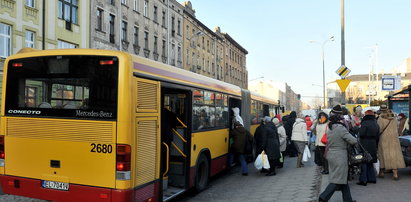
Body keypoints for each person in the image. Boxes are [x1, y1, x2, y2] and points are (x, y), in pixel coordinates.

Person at [319, 105, 358, 202]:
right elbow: (353, 141)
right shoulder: (341, 128)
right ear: (339, 120)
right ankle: (323, 197)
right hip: (340, 156)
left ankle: (348, 200)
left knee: (342, 178)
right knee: (337, 180)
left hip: (331, 154)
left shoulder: (330, 128)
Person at [377, 104, 405, 180]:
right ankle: (395, 174)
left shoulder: (381, 118)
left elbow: (379, 129)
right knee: (394, 155)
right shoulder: (395, 117)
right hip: (394, 139)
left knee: (383, 154)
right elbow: (398, 126)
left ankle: (382, 172)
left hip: (384, 138)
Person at [357, 109, 380, 186]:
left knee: (364, 161)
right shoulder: (375, 123)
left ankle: (363, 180)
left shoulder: (365, 123)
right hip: (373, 143)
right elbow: (378, 135)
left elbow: (362, 133)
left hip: (365, 143)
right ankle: (372, 178)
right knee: (370, 161)